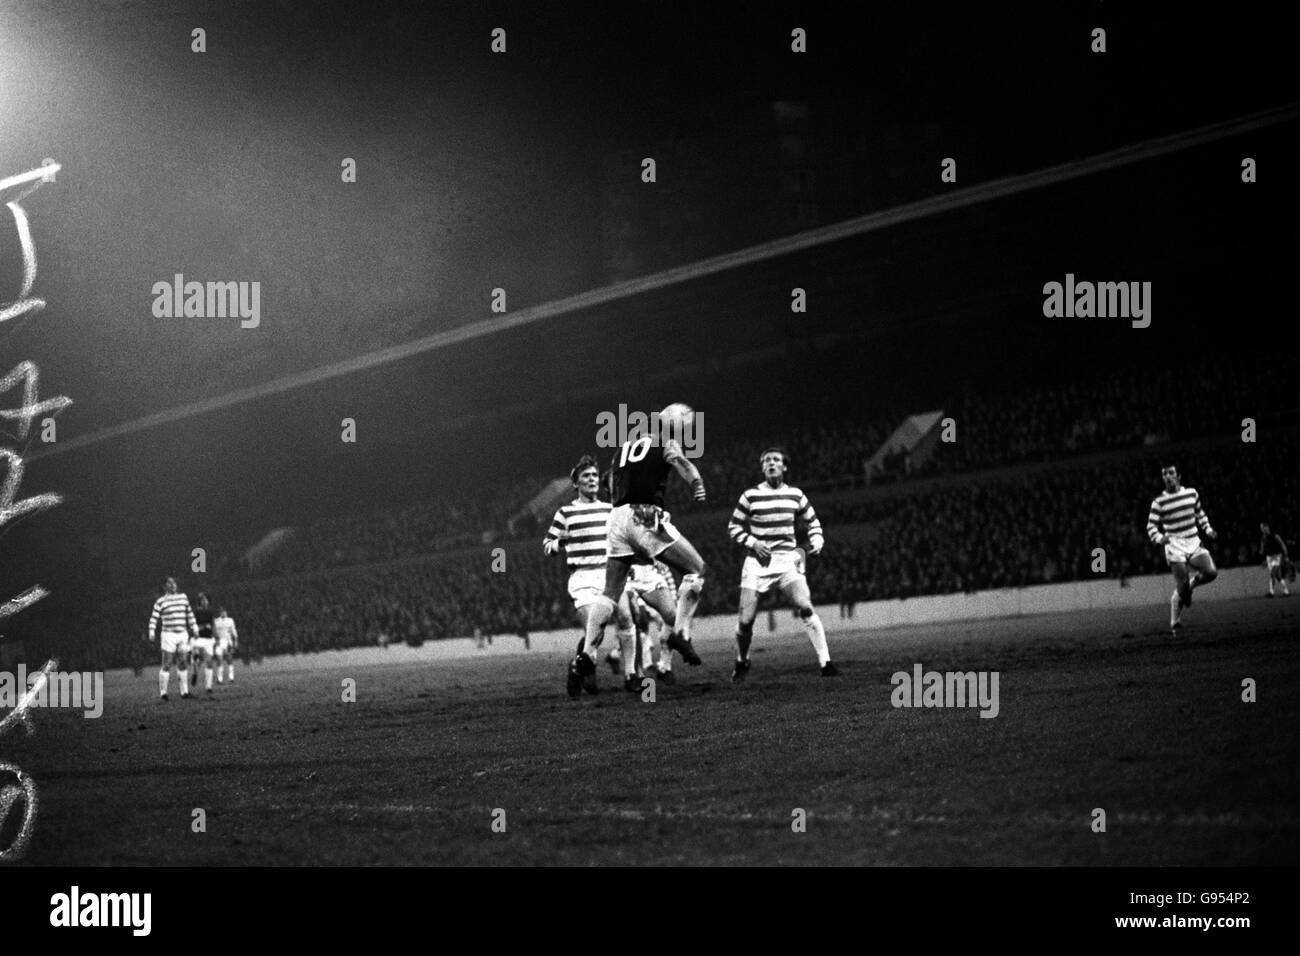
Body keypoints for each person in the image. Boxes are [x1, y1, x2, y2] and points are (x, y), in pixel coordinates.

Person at [570, 409, 708, 694]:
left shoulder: (624, 448)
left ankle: (588, 654)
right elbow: (683, 464)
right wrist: (696, 483)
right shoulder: (667, 442)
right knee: (697, 569)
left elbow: (610, 482)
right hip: (644, 514)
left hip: (616, 517)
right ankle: (679, 634)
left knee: (610, 591)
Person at [728, 447, 839, 681]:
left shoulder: (796, 495)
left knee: (805, 606)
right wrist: (753, 542)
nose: (771, 463)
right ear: (762, 467)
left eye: (776, 460)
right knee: (745, 621)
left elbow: (814, 524)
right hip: (757, 564)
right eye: (766, 460)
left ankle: (826, 663)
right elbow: (733, 528)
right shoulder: (749, 496)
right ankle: (742, 661)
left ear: (784, 467)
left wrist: (817, 540)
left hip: (787, 560)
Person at [545, 454, 632, 697]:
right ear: (576, 483)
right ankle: (578, 667)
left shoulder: (610, 509)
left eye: (595, 475)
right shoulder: (565, 512)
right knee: (594, 631)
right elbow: (547, 543)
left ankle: (631, 675)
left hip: (610, 576)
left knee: (625, 619)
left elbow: (622, 540)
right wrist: (557, 544)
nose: (592, 479)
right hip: (582, 578)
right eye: (586, 476)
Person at [1146, 465, 1218, 635]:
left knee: (1211, 572)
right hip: (1174, 545)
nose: (1168, 476)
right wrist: (1159, 538)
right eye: (1164, 474)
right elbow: (1151, 527)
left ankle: (1188, 588)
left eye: (1171, 473)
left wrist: (1208, 529)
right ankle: (1175, 620)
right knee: (1182, 588)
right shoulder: (1158, 502)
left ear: (1178, 476)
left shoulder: (1192, 494)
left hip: (1193, 541)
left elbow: (1200, 514)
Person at [148, 577, 197, 700]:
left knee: (182, 662)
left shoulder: (183, 597)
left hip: (182, 634)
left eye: (174, 582)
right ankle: (163, 693)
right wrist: (151, 630)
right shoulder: (160, 601)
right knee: (167, 663)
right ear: (165, 587)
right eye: (169, 583)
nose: (173, 585)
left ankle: (184, 692)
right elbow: (154, 617)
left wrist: (194, 626)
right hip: (168, 635)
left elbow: (189, 613)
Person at [190, 593, 217, 695]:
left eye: (207, 600)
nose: (206, 601)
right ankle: (195, 673)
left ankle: (208, 687)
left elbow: (213, 624)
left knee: (209, 662)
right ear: (200, 602)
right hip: (198, 639)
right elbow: (193, 626)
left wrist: (216, 636)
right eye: (204, 600)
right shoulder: (196, 612)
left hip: (208, 639)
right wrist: (204, 626)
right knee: (198, 658)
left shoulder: (210, 612)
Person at [1259, 523, 1291, 598]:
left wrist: (1286, 554)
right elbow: (1262, 549)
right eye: (1261, 528)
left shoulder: (1275, 535)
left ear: (1267, 527)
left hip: (1276, 557)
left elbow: (1282, 544)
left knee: (1273, 574)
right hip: (1269, 558)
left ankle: (1271, 592)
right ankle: (1286, 592)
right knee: (1277, 576)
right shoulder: (1263, 538)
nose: (1263, 529)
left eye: (1264, 527)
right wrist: (1262, 557)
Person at [213, 605, 239, 683]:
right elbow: (214, 632)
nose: (223, 613)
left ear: (226, 612)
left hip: (228, 641)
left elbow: (234, 631)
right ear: (220, 613)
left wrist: (236, 641)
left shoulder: (230, 620)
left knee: (229, 659)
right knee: (219, 660)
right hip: (219, 642)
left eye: (224, 611)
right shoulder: (216, 621)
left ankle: (231, 678)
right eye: (221, 612)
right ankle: (219, 679)